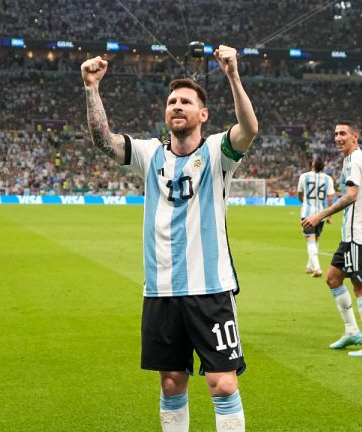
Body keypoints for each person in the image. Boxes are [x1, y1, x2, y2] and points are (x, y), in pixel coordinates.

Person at [81, 44, 258, 432]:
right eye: (172, 101)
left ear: (203, 114)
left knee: (223, 383)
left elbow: (249, 129)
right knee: (171, 382)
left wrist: (232, 74)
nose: (177, 106)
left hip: (210, 289)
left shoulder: (218, 152)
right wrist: (91, 87)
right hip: (160, 290)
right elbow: (103, 140)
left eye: (186, 102)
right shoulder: (149, 154)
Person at [302, 121, 362, 359]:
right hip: (352, 233)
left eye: (343, 134)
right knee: (333, 278)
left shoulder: (355, 161)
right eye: (336, 134)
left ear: (355, 136)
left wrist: (320, 215)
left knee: (361, 287)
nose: (338, 137)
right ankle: (352, 331)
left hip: (357, 234)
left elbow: (351, 196)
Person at [297, 157, 336, 277]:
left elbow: (299, 194)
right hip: (321, 214)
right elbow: (330, 199)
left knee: (310, 239)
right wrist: (329, 215)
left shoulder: (304, 177)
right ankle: (309, 266)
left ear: (312, 165)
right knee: (315, 239)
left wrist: (305, 202)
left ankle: (317, 268)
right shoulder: (328, 179)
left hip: (307, 213)